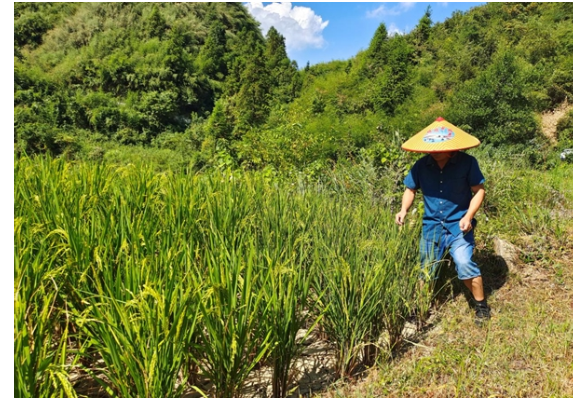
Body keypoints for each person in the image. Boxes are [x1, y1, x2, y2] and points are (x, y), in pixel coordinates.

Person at [394, 117, 491, 325]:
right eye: (432, 148)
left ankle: (481, 307)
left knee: (465, 264)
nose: (435, 152)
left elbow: (479, 191)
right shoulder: (421, 166)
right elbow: (410, 189)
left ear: (450, 146)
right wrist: (403, 210)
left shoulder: (467, 163)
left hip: (459, 226)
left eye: (439, 148)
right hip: (431, 226)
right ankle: (420, 307)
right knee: (426, 268)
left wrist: (468, 216)